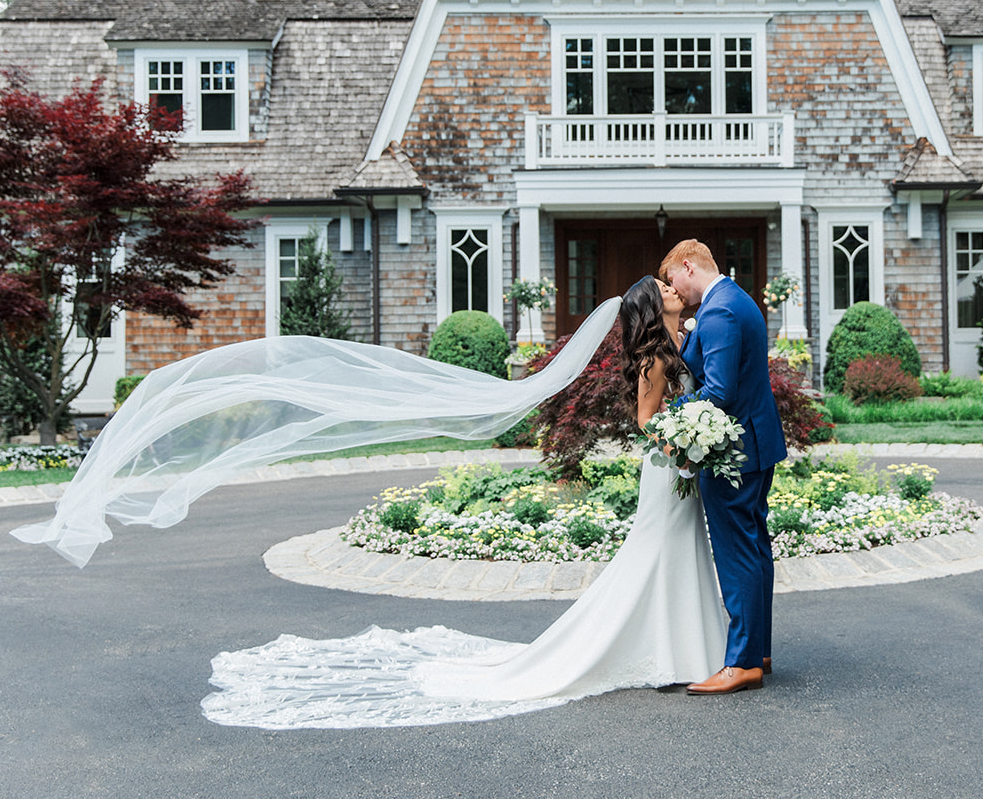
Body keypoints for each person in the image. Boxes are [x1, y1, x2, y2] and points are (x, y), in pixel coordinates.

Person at [197, 276, 729, 729]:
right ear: (653, 308)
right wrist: (680, 445)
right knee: (655, 553)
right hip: (666, 469)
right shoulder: (653, 360)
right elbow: (644, 420)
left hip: (679, 466)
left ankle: (684, 647)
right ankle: (661, 650)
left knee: (680, 551)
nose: (672, 288)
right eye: (664, 288)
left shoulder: (680, 341)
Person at [661, 238, 788, 696]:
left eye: (671, 277)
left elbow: (718, 392)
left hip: (733, 451)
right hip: (753, 443)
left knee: (737, 552)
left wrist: (669, 419)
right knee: (754, 546)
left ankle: (741, 664)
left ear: (688, 267)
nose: (671, 287)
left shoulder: (718, 312)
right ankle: (758, 650)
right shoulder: (736, 299)